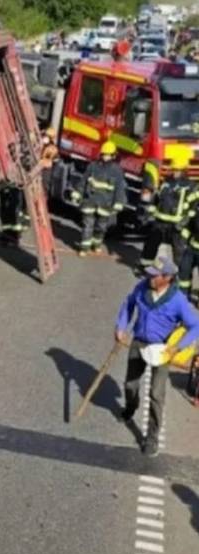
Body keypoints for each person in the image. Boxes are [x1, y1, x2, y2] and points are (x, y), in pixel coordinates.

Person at [115, 256, 199, 456]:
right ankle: (131, 406)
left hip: (162, 350)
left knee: (156, 395)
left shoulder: (177, 300)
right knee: (130, 385)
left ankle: (152, 438)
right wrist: (121, 327)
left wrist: (177, 347)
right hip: (139, 343)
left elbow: (195, 326)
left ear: (167, 278)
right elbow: (128, 304)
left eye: (154, 275)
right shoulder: (141, 288)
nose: (149, 277)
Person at [139, 152, 198, 269]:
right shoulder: (166, 182)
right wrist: (149, 212)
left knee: (179, 250)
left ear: (184, 170)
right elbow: (157, 199)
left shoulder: (192, 186)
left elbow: (194, 207)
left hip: (178, 224)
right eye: (174, 169)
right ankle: (145, 266)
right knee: (151, 244)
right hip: (160, 221)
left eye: (177, 170)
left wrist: (186, 221)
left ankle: (179, 274)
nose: (174, 172)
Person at [71, 141, 126, 257]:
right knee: (87, 225)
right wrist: (77, 193)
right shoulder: (93, 166)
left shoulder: (117, 170)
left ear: (113, 156)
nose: (105, 157)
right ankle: (84, 248)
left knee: (101, 227)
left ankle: (96, 244)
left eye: (108, 155)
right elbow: (84, 181)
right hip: (90, 200)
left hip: (105, 203)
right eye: (104, 154)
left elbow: (119, 188)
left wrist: (119, 202)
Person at [40, 127, 58, 196]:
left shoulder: (52, 148)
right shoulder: (45, 145)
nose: (46, 137)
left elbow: (47, 159)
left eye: (48, 136)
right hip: (42, 168)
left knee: (44, 187)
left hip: (45, 169)